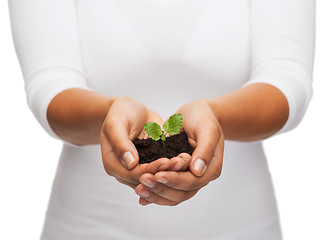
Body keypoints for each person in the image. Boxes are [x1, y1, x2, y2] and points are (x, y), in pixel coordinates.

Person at [9, 0, 315, 239]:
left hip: (242, 228)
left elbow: (288, 80)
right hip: (87, 229)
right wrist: (110, 116)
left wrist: (216, 118)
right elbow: (49, 85)